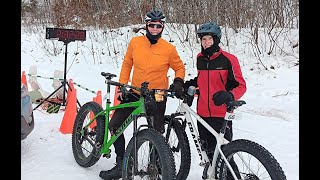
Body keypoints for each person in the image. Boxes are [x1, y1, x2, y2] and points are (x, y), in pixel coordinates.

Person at [99, 9, 185, 180]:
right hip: (135, 92)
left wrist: (178, 81)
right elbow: (127, 64)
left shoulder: (169, 49)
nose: (154, 29)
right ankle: (121, 163)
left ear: (163, 27)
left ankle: (156, 165)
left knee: (156, 132)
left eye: (158, 26)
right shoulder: (135, 43)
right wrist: (123, 85)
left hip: (157, 95)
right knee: (115, 125)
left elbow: (179, 67)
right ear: (146, 26)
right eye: (151, 25)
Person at [183, 21, 247, 179]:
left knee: (225, 155)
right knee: (209, 152)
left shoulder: (228, 59)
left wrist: (229, 96)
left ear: (217, 39)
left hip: (221, 114)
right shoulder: (200, 58)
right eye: (203, 39)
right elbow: (203, 82)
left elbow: (241, 85)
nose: (206, 43)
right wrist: (190, 87)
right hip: (203, 114)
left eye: (209, 39)